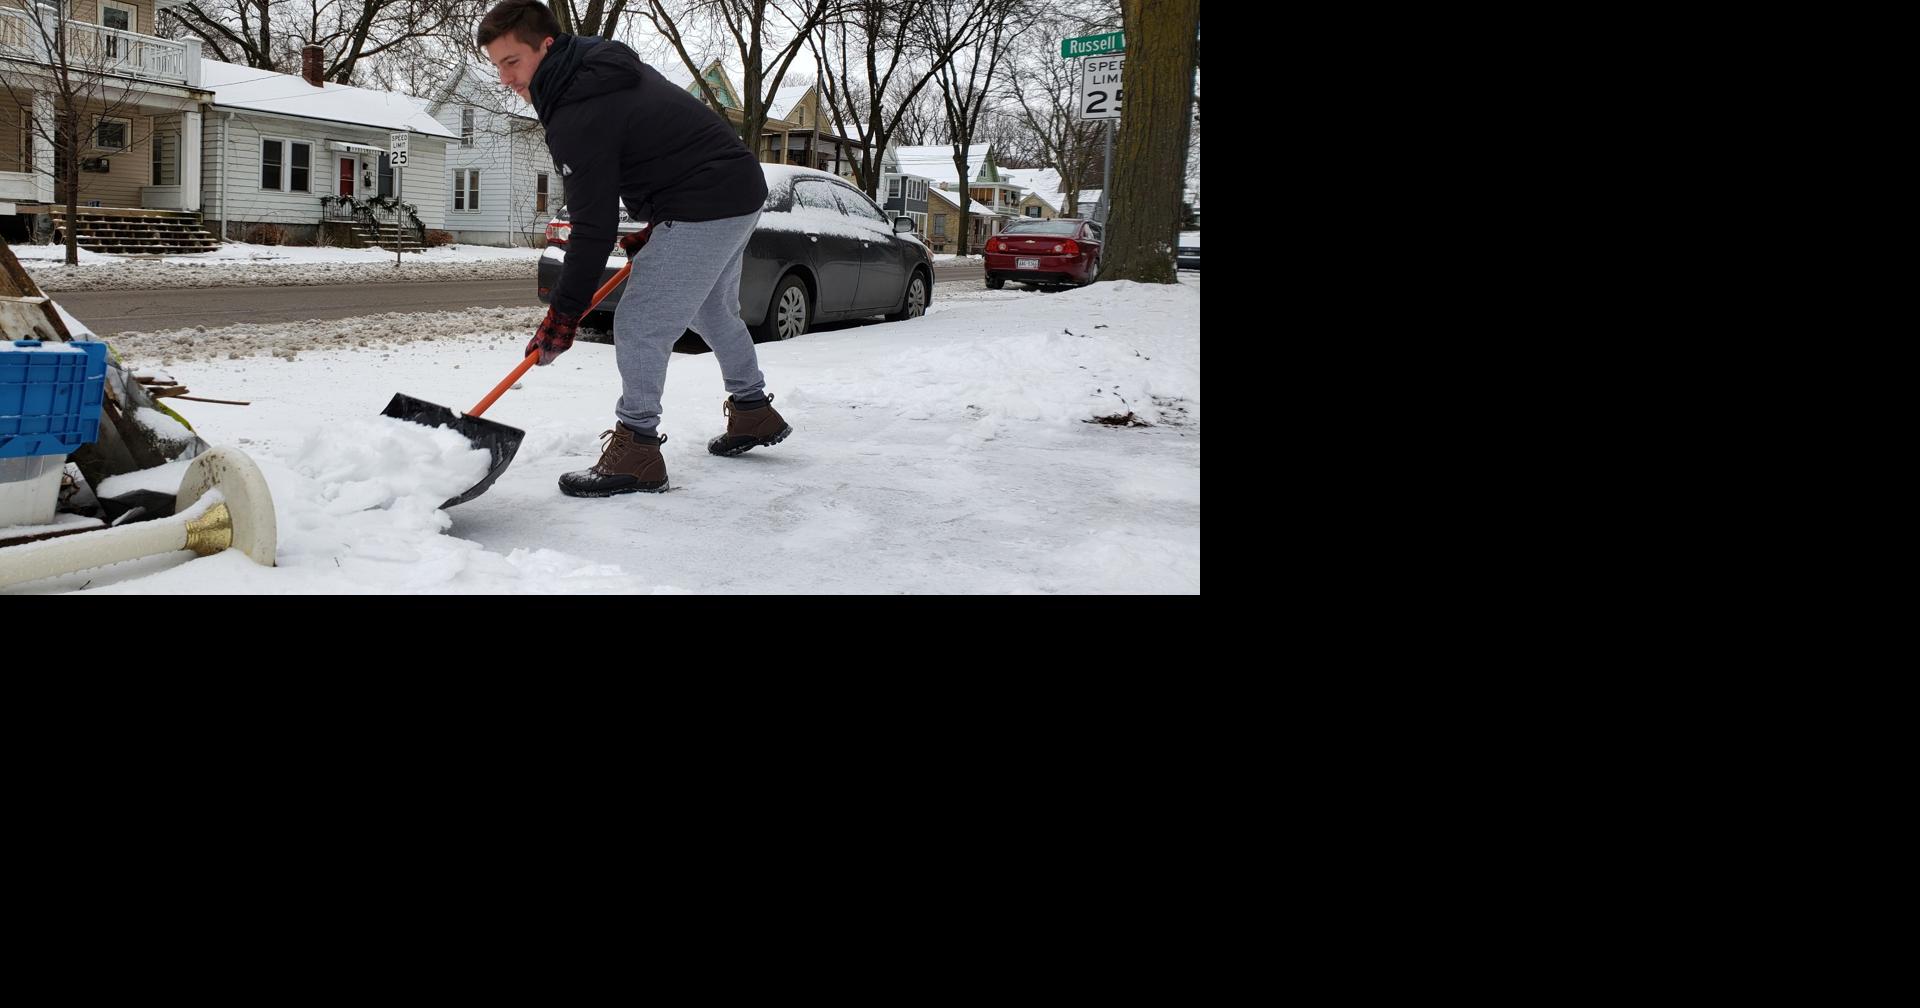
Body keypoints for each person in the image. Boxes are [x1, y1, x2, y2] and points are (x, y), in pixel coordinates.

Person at [479, 0, 791, 497]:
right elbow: (654, 149)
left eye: (512, 61)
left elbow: (592, 226)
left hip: (707, 198)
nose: (505, 78)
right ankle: (753, 411)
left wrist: (562, 317)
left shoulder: (577, 106)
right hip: (734, 187)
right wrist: (658, 222)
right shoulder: (592, 69)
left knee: (641, 321)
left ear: (546, 45)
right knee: (711, 311)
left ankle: (639, 448)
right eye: (496, 65)